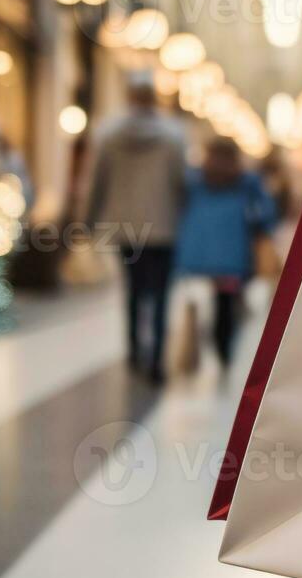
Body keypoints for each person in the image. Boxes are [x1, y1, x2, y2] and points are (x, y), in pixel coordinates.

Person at [87, 70, 187, 383]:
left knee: (132, 290)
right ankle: (156, 358)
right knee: (160, 294)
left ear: (129, 96)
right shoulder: (173, 136)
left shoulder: (107, 134)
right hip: (163, 226)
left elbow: (95, 182)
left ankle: (133, 352)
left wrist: (87, 220)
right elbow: (181, 182)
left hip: (126, 228)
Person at [175, 136, 276, 370]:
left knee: (211, 300)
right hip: (233, 257)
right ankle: (224, 350)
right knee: (225, 302)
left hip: (201, 254)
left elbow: (181, 207)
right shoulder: (246, 180)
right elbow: (267, 212)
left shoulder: (196, 179)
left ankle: (216, 343)